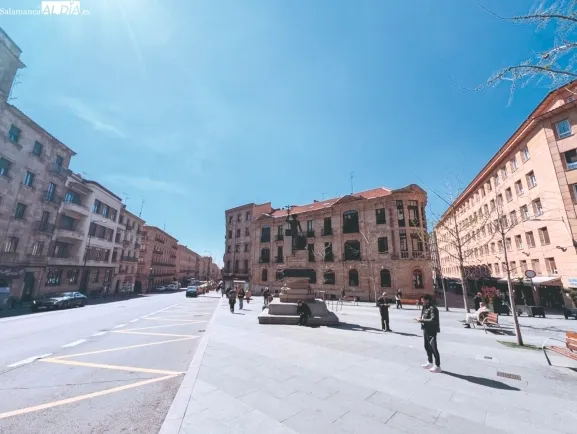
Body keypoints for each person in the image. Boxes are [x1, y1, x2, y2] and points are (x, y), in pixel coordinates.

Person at [417, 294, 441, 373]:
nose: (422, 301)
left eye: (423, 300)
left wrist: (422, 320)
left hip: (431, 330)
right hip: (425, 329)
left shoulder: (433, 308)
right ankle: (430, 362)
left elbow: (433, 320)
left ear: (427, 300)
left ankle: (437, 366)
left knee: (433, 348)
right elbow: (424, 316)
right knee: (427, 346)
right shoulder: (425, 307)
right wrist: (421, 318)